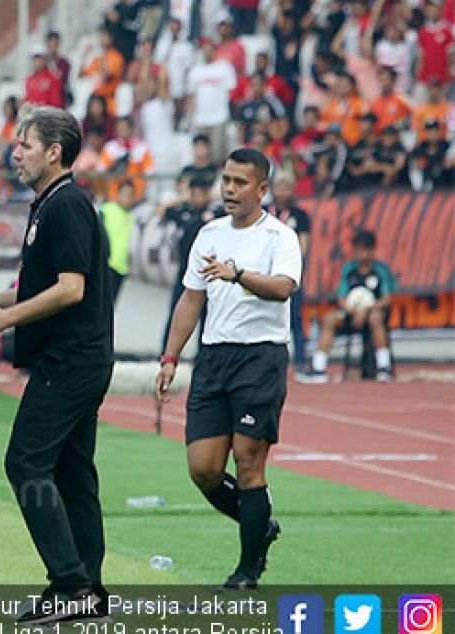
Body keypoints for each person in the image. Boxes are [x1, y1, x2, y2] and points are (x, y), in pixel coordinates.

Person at [0, 106, 113, 623]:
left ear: (54, 151)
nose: (15, 152)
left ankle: (69, 584)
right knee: (73, 474)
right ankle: (88, 589)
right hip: (76, 357)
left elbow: (72, 289)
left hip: (71, 358)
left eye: (24, 143)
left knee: (24, 462)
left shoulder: (65, 205)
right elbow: (43, 285)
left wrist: (2, 323)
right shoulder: (49, 204)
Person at [155, 148, 300, 590]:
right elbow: (191, 298)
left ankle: (246, 572)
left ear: (261, 188)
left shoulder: (280, 236)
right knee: (203, 468)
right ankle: (260, 527)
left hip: (260, 357)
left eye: (240, 183)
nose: (231, 190)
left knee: (249, 461)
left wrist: (238, 275)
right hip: (213, 358)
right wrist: (170, 356)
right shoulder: (209, 233)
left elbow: (282, 289)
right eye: (227, 180)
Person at [298, 230, 395, 384]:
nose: (359, 254)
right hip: (351, 313)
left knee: (376, 318)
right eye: (356, 250)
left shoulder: (380, 270)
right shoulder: (349, 269)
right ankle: (318, 368)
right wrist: (352, 310)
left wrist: (367, 309)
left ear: (371, 250)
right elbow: (341, 297)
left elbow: (386, 299)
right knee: (329, 319)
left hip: (371, 314)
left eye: (363, 250)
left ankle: (384, 368)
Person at [159, 177, 222, 354]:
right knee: (176, 312)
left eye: (202, 193)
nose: (198, 198)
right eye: (195, 194)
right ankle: (167, 352)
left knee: (207, 317)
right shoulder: (185, 212)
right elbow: (163, 210)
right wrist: (184, 197)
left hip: (208, 272)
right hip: (185, 271)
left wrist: (212, 196)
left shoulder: (216, 214)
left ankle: (203, 356)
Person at [269, 173, 311, 371]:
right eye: (280, 186)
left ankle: (301, 359)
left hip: (289, 272)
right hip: (265, 272)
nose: (283, 192)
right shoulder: (263, 212)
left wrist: (292, 266)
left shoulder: (300, 215)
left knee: (294, 317)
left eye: (287, 187)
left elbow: (303, 245)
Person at [99, 179, 136, 303]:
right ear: (118, 194)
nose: (128, 199)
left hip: (121, 268)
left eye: (131, 195)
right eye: (125, 194)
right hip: (106, 266)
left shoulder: (131, 216)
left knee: (110, 305)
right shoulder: (106, 210)